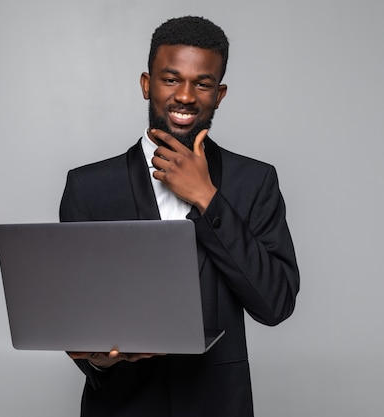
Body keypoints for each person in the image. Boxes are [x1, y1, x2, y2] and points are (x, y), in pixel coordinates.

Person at [59, 16, 300, 417]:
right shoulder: (88, 187)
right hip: (121, 406)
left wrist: (208, 198)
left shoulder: (254, 181)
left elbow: (275, 304)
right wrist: (98, 359)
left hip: (217, 405)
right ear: (146, 85)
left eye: (202, 83)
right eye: (171, 79)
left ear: (219, 94)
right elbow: (75, 315)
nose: (185, 96)